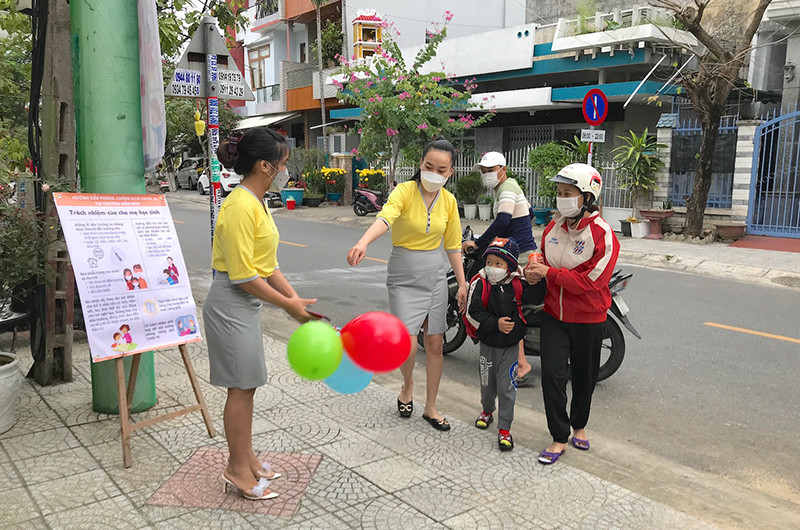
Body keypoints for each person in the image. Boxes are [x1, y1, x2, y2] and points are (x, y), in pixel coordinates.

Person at [203, 127, 317, 501]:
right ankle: (236, 469)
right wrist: (286, 305)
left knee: (247, 385)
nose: (287, 170)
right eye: (284, 163)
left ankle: (246, 456)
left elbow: (267, 265)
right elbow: (243, 275)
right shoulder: (238, 206)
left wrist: (295, 299)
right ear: (265, 166)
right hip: (231, 302)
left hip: (246, 303)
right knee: (240, 387)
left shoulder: (258, 201)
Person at [346, 136, 467, 431]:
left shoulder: (449, 202)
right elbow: (385, 218)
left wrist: (462, 284)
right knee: (407, 342)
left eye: (441, 169)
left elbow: (453, 245)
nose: (434, 173)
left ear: (450, 172)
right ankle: (407, 385)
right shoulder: (404, 191)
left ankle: (431, 407)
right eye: (429, 166)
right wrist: (363, 242)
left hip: (435, 274)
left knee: (435, 342)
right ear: (420, 164)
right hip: (403, 274)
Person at [523, 163, 620, 465]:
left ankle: (579, 424)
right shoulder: (552, 228)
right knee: (552, 375)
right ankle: (558, 436)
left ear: (588, 197)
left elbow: (592, 282)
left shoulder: (602, 235)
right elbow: (542, 267)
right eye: (559, 192)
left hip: (589, 318)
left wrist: (550, 274)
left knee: (584, 377)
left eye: (568, 193)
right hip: (554, 315)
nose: (561, 198)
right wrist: (533, 274)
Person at [463, 152, 538, 383]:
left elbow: (503, 220)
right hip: (520, 250)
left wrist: (479, 242)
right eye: (484, 171)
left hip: (521, 256)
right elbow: (530, 214)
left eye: (491, 169)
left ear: (502, 169)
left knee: (507, 303)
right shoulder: (509, 188)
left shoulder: (506, 188)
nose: (487, 174)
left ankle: (523, 364)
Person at [466, 237, 545, 451]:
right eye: (489, 262)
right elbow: (472, 313)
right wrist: (495, 324)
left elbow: (534, 300)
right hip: (487, 346)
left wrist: (537, 280)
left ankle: (504, 429)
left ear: (509, 266)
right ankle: (487, 410)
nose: (492, 268)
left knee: (507, 387)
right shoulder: (479, 283)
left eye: (498, 264)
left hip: (510, 349)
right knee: (487, 384)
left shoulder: (518, 284)